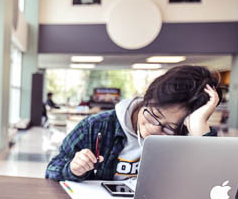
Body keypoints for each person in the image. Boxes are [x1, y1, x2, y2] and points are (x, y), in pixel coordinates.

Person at [45, 65, 221, 181]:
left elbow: (214, 187)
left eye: (169, 128)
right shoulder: (97, 126)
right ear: (147, 97)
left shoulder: (186, 136)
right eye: (154, 114)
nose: (154, 128)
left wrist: (200, 131)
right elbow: (52, 170)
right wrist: (74, 169)